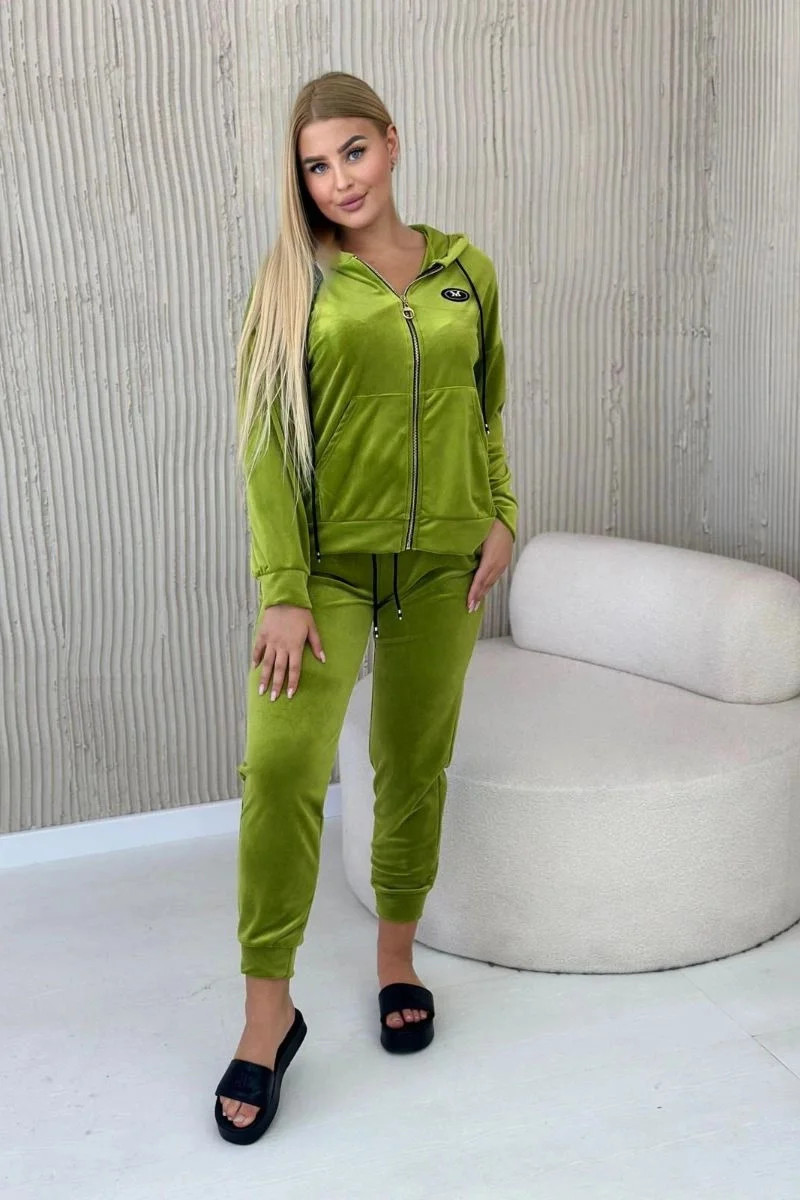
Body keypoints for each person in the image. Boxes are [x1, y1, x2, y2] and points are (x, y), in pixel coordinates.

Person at [214, 70, 518, 1144]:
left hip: (444, 565)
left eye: (352, 151)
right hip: (330, 570)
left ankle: (396, 959)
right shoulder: (291, 284)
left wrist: (501, 512)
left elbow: (483, 406)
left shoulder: (465, 271)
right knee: (282, 768)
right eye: (315, 164)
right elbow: (265, 448)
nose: (338, 179)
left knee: (412, 762)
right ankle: (267, 1015)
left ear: (391, 142)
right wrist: (283, 590)